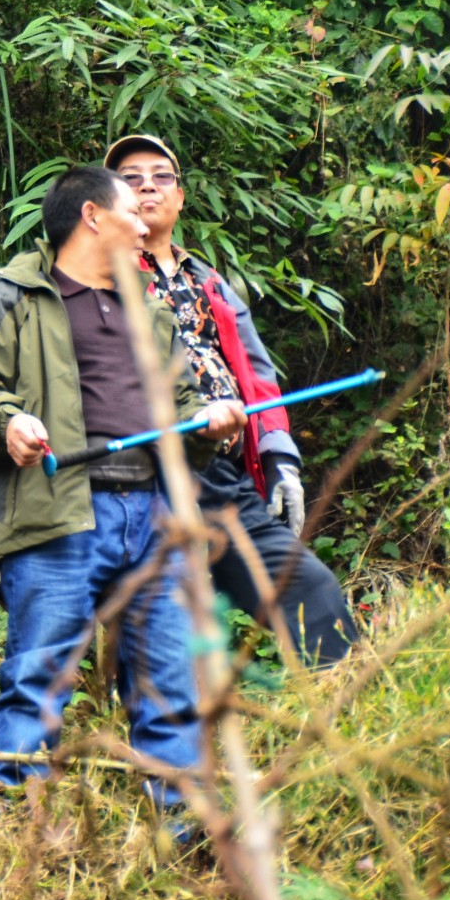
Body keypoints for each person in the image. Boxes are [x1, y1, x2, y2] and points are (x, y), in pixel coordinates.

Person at [0, 165, 245, 801]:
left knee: (171, 683)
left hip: (159, 519)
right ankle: (15, 836)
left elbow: (185, 410)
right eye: (132, 210)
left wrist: (209, 425)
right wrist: (9, 422)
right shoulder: (12, 295)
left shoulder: (153, 315)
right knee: (40, 679)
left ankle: (184, 838)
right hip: (61, 516)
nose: (145, 223)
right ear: (92, 217)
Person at [106, 134, 362, 667]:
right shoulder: (97, 277)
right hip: (141, 473)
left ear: (180, 197)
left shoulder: (212, 282)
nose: (148, 186)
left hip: (223, 479)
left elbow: (258, 376)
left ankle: (349, 720)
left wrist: (280, 461)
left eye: (161, 176)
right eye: (131, 178)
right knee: (160, 631)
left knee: (308, 589)